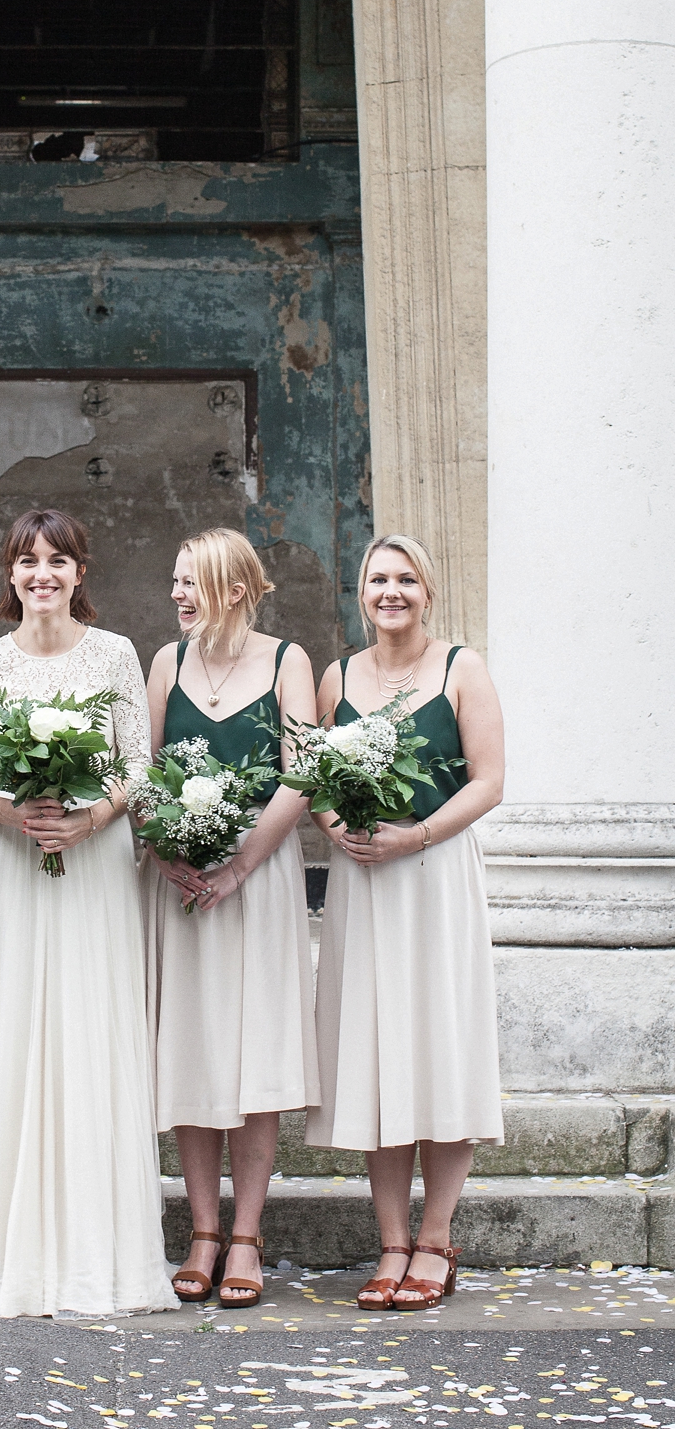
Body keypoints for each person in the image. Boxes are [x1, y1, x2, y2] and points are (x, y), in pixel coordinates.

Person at [0, 508, 176, 1317]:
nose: (43, 574)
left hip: (95, 869)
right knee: (15, 1037)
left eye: (58, 560)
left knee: (89, 1033)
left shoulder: (115, 655)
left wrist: (91, 818)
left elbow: (139, 765)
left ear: (81, 573)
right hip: (13, 868)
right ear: (10, 574)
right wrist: (15, 815)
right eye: (28, 561)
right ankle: (8, 1255)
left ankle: (94, 1253)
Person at [306, 533, 505, 1310]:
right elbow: (315, 773)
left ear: (428, 591)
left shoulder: (463, 669)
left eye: (406, 580)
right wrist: (336, 826)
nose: (391, 592)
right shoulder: (338, 676)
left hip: (435, 877)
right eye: (377, 579)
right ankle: (390, 1241)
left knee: (438, 1048)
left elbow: (488, 782)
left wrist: (416, 835)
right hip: (363, 882)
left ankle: (436, 1239)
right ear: (362, 593)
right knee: (378, 1052)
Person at [143, 528, 319, 1308]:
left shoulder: (287, 662)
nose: (178, 595)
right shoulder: (166, 663)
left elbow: (303, 770)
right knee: (192, 1046)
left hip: (261, 878)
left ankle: (246, 1234)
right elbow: (141, 772)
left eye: (192, 583)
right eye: (175, 582)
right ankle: (203, 1230)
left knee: (254, 1050)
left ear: (237, 590)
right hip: (181, 880)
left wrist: (244, 860)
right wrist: (164, 850)